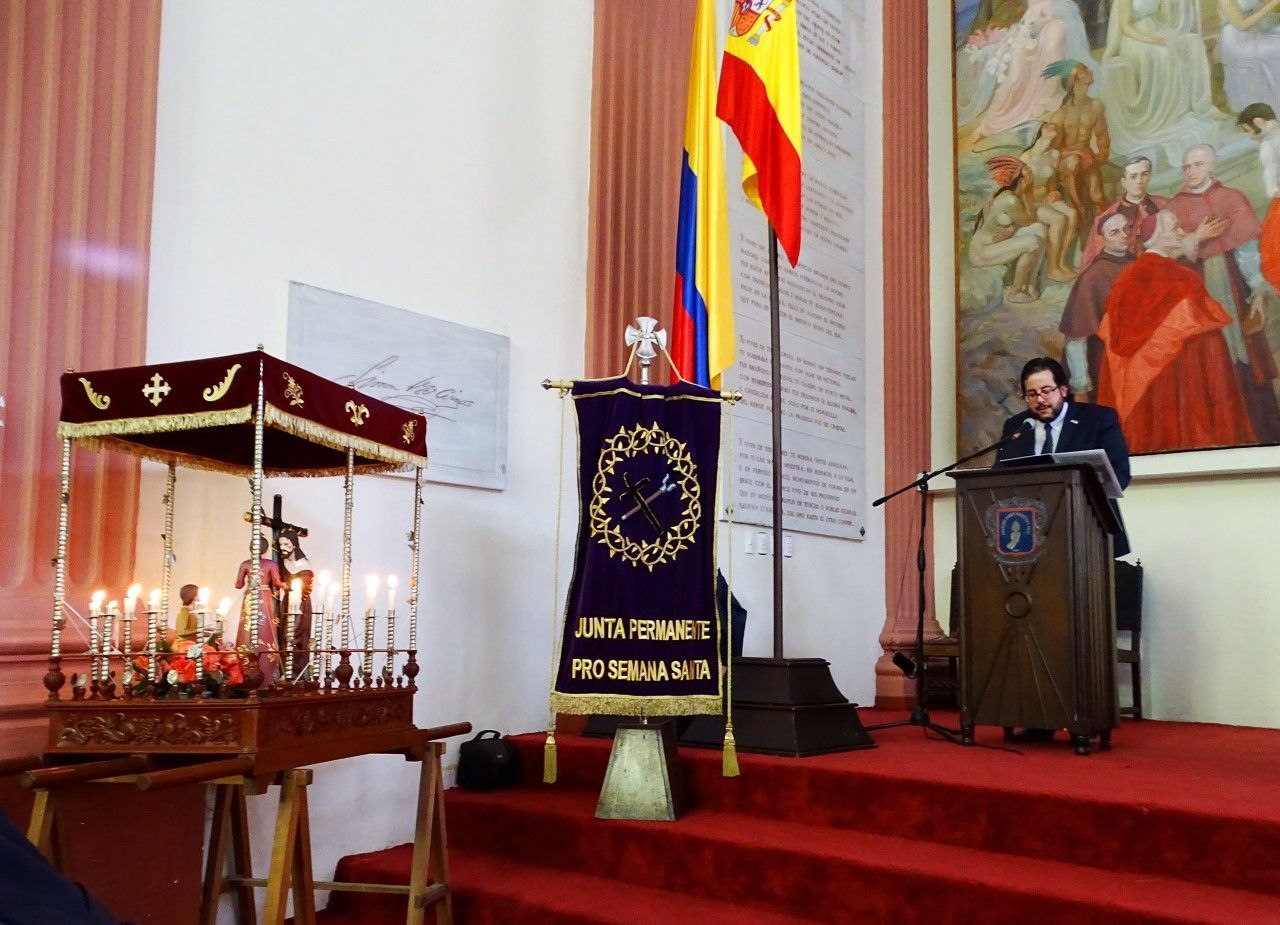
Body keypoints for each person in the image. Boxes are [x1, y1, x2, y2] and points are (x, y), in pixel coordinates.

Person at [1098, 211, 1256, 453]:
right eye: (1175, 228)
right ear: (1157, 237)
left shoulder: (1128, 277)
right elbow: (1209, 349)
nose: (1182, 232)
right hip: (1183, 385)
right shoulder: (1181, 278)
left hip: (1146, 391)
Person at [1166, 143, 1280, 442]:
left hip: (1232, 285)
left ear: (1212, 166)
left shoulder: (1231, 198)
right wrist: (1194, 239)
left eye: (1198, 164)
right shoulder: (1173, 208)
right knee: (1205, 364)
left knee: (1247, 358)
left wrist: (1256, 289)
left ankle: (1263, 434)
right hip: (1193, 294)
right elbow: (1163, 253)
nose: (1192, 171)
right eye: (1187, 166)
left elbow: (1247, 252)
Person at [995, 356, 1131, 556]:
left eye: (1046, 391)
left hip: (1089, 532)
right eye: (1031, 394)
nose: (1039, 400)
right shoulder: (1016, 426)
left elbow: (1120, 474)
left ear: (1063, 390)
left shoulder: (1098, 419)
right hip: (1031, 536)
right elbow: (998, 476)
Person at [1099, 0, 1228, 169]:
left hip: (1157, 30)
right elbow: (1125, 26)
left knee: (1193, 42)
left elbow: (1166, 19)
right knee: (1165, 55)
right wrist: (1148, 39)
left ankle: (1201, 105)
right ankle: (1168, 113)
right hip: (1135, 39)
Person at [961, 0, 1095, 142]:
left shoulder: (1059, 15)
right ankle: (989, 123)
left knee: (1053, 44)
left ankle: (1044, 98)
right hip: (1027, 28)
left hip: (1049, 22)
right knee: (1014, 78)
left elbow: (1057, 12)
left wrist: (1044, 21)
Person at [1060, 213, 1136, 401]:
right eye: (1115, 232)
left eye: (1126, 229)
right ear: (1102, 239)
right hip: (1106, 363)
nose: (1124, 235)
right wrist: (1081, 384)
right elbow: (1076, 337)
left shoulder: (1138, 263)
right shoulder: (1093, 276)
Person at [1042, 59, 1109, 250]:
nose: (1089, 70)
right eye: (1083, 70)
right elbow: (1053, 152)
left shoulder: (1096, 106)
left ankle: (1099, 239)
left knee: (1097, 196)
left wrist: (1101, 155)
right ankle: (1078, 211)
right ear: (1073, 81)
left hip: (1086, 157)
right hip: (1066, 161)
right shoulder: (1061, 114)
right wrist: (1052, 187)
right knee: (1072, 161)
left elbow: (1103, 137)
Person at [969, 156, 1047, 303]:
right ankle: (1015, 291)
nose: (1030, 180)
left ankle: (1030, 284)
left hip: (994, 243)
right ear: (1019, 180)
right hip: (982, 251)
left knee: (1039, 228)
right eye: (1027, 177)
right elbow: (1028, 219)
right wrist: (1028, 192)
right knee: (1033, 242)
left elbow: (1024, 223)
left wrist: (1011, 229)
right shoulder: (1010, 200)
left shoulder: (1008, 196)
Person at [1019, 121, 1079, 281]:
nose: (1052, 127)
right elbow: (1020, 189)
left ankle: (1060, 262)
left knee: (1072, 214)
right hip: (1031, 202)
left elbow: (1052, 180)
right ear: (1039, 133)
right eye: (1046, 126)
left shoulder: (1054, 155)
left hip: (1047, 198)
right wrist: (1028, 208)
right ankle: (1052, 268)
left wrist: (1054, 191)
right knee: (1059, 219)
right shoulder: (1026, 157)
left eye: (1054, 126)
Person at [1239, 102, 1280, 293]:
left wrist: (1273, 190)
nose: (1249, 137)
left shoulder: (1267, 144)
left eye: (1248, 131)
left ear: (1258, 121)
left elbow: (1271, 178)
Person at [235, 533, 284, 685]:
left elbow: (238, 584)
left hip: (253, 596)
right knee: (260, 630)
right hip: (263, 597)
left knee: (257, 630)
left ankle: (254, 672)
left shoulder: (246, 564)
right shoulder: (270, 564)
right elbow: (277, 582)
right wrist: (286, 585)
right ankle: (261, 673)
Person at [1218, 0, 1280, 115]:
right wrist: (1272, 4)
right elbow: (1241, 25)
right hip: (1236, 41)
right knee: (1276, 50)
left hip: (1254, 35)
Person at [277, 528, 314, 678]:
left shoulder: (304, 564)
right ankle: (285, 671)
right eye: (280, 544)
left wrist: (292, 588)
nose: (282, 548)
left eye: (286, 544)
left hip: (301, 604)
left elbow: (306, 587)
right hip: (287, 603)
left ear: (294, 544)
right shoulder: (283, 562)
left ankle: (297, 672)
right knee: (284, 635)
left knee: (296, 635)